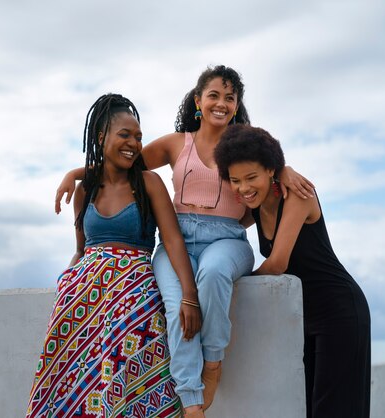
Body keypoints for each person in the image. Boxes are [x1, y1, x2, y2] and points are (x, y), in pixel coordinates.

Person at [55, 65, 315, 417]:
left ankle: (212, 361)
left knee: (213, 274)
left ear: (236, 105)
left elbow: (268, 168)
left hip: (227, 237)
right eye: (213, 95)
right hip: (178, 239)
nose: (221, 103)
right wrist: (76, 173)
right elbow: (124, 163)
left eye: (230, 97)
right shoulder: (179, 143)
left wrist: (284, 169)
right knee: (177, 306)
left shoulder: (241, 145)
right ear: (198, 100)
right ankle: (191, 402)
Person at [26, 93, 203, 418]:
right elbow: (80, 251)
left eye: (138, 137)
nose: (134, 144)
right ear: (101, 137)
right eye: (125, 135)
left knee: (131, 385)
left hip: (133, 301)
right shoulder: (84, 191)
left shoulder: (149, 183)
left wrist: (189, 297)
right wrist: (64, 289)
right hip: (83, 305)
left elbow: (173, 240)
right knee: (78, 393)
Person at [214, 124, 371, 418]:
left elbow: (277, 264)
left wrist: (234, 283)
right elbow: (221, 225)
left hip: (340, 310)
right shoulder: (256, 205)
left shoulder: (298, 195)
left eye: (251, 178)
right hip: (306, 317)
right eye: (235, 180)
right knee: (310, 408)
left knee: (334, 409)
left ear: (271, 170)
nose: (243, 188)